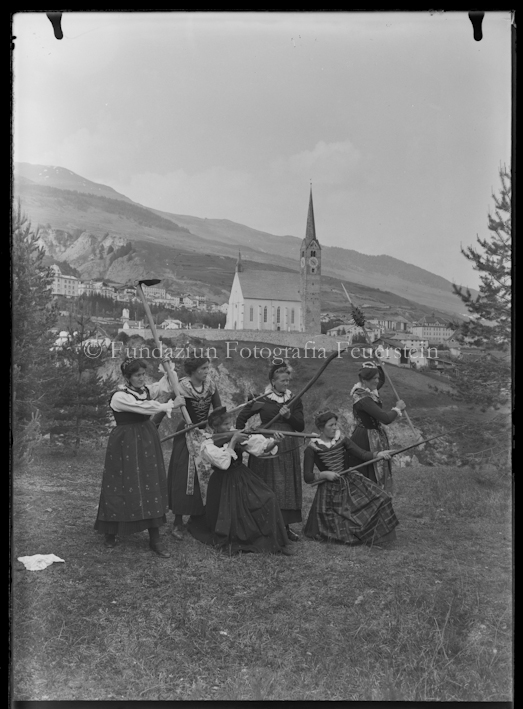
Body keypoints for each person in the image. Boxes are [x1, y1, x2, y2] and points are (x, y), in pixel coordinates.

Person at [94, 357, 185, 557]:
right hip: (124, 442)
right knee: (119, 483)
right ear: (127, 377)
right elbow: (143, 407)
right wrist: (169, 405)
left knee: (149, 482)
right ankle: (111, 531)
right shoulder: (119, 396)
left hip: (145, 438)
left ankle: (155, 538)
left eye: (143, 374)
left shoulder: (145, 390)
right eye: (137, 375)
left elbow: (165, 384)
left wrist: (168, 368)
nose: (142, 378)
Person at [187, 407, 297, 556]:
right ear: (215, 427)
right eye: (225, 425)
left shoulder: (234, 434)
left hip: (242, 475)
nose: (230, 427)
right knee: (231, 513)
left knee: (268, 498)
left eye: (230, 423)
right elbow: (223, 463)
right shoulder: (208, 445)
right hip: (222, 481)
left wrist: (274, 442)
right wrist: (233, 441)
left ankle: (270, 538)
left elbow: (261, 448)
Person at [303, 411, 398, 545]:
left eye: (335, 424)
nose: (335, 428)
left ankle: (376, 534)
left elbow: (363, 454)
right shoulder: (312, 448)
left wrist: (379, 454)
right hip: (329, 488)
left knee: (382, 498)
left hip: (350, 479)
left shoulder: (342, 440)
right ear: (321, 428)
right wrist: (324, 474)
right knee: (342, 522)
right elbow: (307, 477)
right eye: (331, 425)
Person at [236, 363, 304, 542]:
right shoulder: (262, 398)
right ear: (273, 381)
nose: (286, 383)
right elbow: (241, 419)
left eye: (288, 380)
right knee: (268, 484)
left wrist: (289, 417)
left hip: (287, 444)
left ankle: (285, 527)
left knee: (286, 486)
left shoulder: (294, 399)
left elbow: (301, 426)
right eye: (283, 380)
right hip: (266, 443)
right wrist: (241, 439)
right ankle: (263, 525)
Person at [167, 357, 222, 539]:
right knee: (184, 476)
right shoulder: (181, 387)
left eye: (207, 368)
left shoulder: (210, 385)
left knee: (204, 475)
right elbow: (166, 406)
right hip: (186, 433)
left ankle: (197, 518)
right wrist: (153, 425)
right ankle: (177, 521)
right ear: (192, 371)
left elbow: (218, 409)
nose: (207, 371)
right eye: (203, 369)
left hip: (204, 433)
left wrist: (217, 426)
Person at [349, 362, 406, 494]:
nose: (377, 381)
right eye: (374, 378)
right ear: (364, 380)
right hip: (365, 439)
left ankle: (378, 500)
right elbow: (385, 419)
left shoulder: (369, 389)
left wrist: (379, 363)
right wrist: (398, 408)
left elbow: (382, 380)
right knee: (370, 473)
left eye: (377, 377)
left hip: (375, 436)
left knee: (378, 469)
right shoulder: (363, 398)